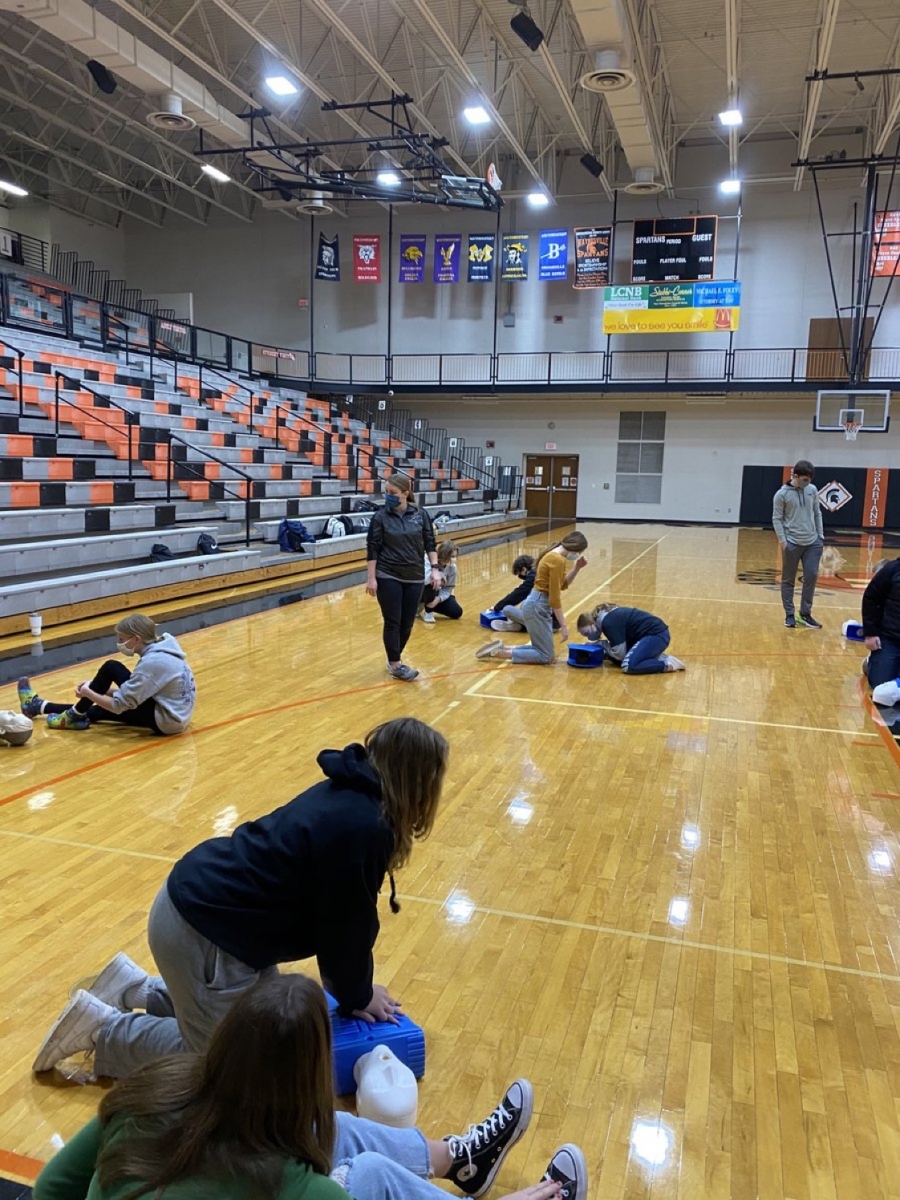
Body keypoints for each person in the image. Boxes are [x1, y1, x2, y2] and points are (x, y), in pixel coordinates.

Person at [33, 718, 449, 1078]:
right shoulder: (365, 826)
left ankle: (135, 988)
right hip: (207, 937)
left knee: (265, 1030)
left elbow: (340, 923)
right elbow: (345, 932)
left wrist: (354, 988)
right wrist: (358, 995)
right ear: (418, 780)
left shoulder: (351, 793)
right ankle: (101, 1029)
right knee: (228, 1065)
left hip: (201, 915)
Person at [32, 974, 588, 1200]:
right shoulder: (298, 1190)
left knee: (336, 1129)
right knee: (366, 1176)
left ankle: (460, 1160)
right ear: (309, 1075)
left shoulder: (151, 1089)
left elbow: (54, 1186)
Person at [17, 614, 195, 734]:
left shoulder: (153, 663)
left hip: (165, 720)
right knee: (96, 711)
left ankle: (72, 715)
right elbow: (140, 690)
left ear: (136, 638)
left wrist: (89, 692)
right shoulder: (165, 647)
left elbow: (119, 705)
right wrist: (99, 690)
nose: (119, 643)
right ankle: (37, 706)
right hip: (174, 715)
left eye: (121, 640)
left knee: (112, 667)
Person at [366, 474, 439, 681]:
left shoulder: (420, 514)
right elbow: (372, 548)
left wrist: (434, 569)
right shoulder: (380, 517)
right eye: (386, 492)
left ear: (405, 493)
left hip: (415, 575)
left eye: (393, 493)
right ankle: (395, 664)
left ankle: (394, 657)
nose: (388, 496)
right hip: (388, 573)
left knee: (407, 622)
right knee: (393, 620)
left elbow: (429, 542)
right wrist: (372, 578)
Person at [476, 533, 588, 664]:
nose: (577, 555)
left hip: (537, 603)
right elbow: (554, 597)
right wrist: (563, 624)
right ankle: (499, 653)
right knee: (546, 656)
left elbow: (563, 585)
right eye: (579, 552)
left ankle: (504, 648)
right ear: (574, 548)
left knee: (543, 652)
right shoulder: (557, 560)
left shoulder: (553, 555)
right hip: (538, 605)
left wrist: (577, 568)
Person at [772, 460, 824, 629]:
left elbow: (817, 513)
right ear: (795, 476)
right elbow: (777, 519)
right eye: (804, 479)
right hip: (792, 543)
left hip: (812, 542)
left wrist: (820, 536)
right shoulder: (781, 495)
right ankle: (789, 614)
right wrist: (783, 541)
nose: (807, 482)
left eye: (809, 479)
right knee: (788, 580)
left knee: (811, 575)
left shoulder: (813, 490)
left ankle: (805, 613)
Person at [576, 603, 685, 673]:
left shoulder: (608, 622)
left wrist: (601, 644)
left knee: (628, 665)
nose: (589, 637)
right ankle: (655, 656)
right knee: (613, 659)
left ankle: (668, 664)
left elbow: (620, 654)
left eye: (587, 633)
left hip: (656, 634)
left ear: (592, 623)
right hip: (646, 636)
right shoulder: (604, 617)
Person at [861, 557, 900, 704]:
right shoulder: (892, 570)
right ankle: (871, 661)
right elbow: (871, 598)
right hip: (890, 638)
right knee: (881, 684)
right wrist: (870, 634)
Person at [488, 555, 558, 633]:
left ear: (524, 569)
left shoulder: (534, 576)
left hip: (547, 625)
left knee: (507, 609)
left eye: (520, 574)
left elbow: (518, 594)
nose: (520, 577)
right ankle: (521, 625)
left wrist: (497, 607)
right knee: (526, 602)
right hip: (555, 622)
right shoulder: (542, 571)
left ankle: (520, 625)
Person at [420, 540, 463, 623]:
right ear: (444, 555)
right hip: (422, 591)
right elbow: (425, 580)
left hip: (438, 594)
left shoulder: (453, 568)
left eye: (455, 556)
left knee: (457, 612)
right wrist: (442, 577)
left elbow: (449, 588)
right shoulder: (428, 559)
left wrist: (438, 599)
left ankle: (430, 604)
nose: (454, 559)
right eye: (452, 556)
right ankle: (428, 611)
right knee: (433, 582)